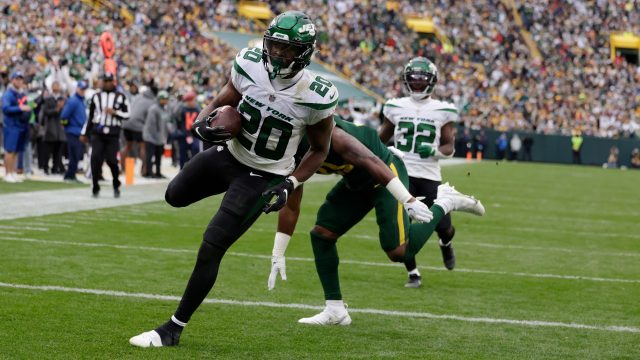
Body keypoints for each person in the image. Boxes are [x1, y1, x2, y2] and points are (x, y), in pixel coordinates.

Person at [129, 11, 338, 348]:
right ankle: (232, 200)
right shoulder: (250, 63)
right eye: (274, 45)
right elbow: (225, 96)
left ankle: (173, 328)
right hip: (229, 155)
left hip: (264, 174)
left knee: (212, 245)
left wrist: (290, 183)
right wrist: (201, 122)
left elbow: (319, 150)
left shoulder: (315, 94)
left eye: (287, 49)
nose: (278, 54)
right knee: (174, 195)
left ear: (304, 52)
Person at [267, 117, 485, 325]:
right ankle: (335, 310)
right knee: (322, 234)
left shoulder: (336, 137)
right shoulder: (291, 153)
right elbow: (291, 205)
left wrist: (407, 199)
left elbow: (371, 160)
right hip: (356, 182)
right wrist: (278, 252)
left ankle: (446, 202)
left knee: (399, 252)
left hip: (384, 173)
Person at [378, 57, 460, 286]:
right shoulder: (395, 106)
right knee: (404, 227)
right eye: (412, 81)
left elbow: (449, 147)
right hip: (402, 174)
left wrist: (433, 151)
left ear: (431, 82)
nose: (416, 85)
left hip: (430, 175)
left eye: (421, 81)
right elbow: (379, 139)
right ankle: (413, 272)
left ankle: (446, 243)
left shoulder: (443, 110)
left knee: (444, 227)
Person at [80, 72, 130, 197]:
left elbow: (128, 114)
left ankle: (116, 184)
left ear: (113, 82)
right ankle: (95, 186)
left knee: (112, 160)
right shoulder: (96, 96)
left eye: (109, 81)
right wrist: (85, 133)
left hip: (113, 133)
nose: (107, 83)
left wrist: (115, 112)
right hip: (98, 132)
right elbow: (91, 117)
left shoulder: (121, 96)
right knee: (95, 158)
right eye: (105, 81)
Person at [2, 71, 31, 183]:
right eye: (17, 79)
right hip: (11, 125)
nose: (19, 81)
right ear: (12, 80)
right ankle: (8, 173)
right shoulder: (9, 93)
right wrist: (21, 108)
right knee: (10, 150)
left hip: (21, 125)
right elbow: (5, 109)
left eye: (20, 79)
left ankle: (13, 172)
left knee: (16, 150)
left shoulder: (21, 93)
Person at [122, 80, 157, 175]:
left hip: (126, 123)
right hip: (138, 125)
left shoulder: (138, 96)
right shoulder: (152, 102)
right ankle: (144, 170)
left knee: (127, 146)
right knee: (143, 147)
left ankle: (122, 169)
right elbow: (149, 119)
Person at [60, 80, 88, 182]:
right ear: (77, 89)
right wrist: (68, 127)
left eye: (84, 89)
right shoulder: (73, 101)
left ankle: (71, 175)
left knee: (77, 155)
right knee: (74, 154)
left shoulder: (80, 101)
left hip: (79, 131)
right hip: (73, 131)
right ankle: (69, 175)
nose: (83, 91)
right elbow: (64, 116)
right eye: (81, 89)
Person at [40, 81, 67, 175]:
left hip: (60, 129)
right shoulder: (48, 99)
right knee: (47, 151)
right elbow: (46, 112)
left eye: (57, 85)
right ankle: (45, 167)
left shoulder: (63, 99)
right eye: (54, 85)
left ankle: (55, 168)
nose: (56, 87)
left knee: (58, 151)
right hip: (51, 128)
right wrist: (56, 109)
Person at [142, 90, 170, 178]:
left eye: (166, 99)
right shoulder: (153, 109)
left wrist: (164, 136)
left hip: (160, 137)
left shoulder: (164, 109)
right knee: (150, 156)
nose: (165, 101)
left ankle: (158, 172)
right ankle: (149, 172)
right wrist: (156, 137)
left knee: (159, 156)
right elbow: (151, 125)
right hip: (151, 137)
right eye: (163, 99)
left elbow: (165, 123)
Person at [172, 91, 202, 168]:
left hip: (194, 135)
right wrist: (185, 134)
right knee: (183, 153)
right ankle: (182, 169)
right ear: (188, 101)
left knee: (196, 149)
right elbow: (179, 123)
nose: (194, 102)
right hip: (184, 134)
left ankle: (194, 168)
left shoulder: (197, 109)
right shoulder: (182, 109)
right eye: (193, 100)